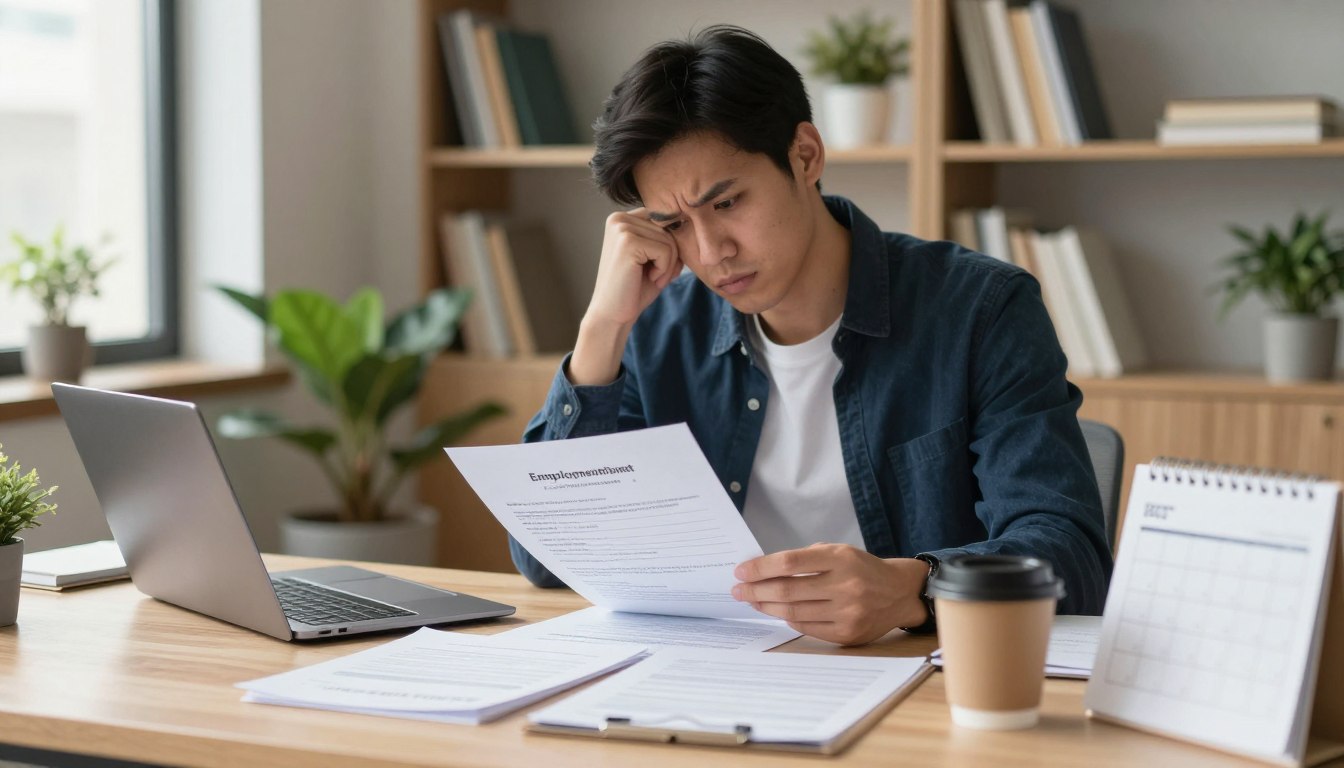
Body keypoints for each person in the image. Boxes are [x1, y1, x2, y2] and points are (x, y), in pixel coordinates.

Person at [510, 25, 1112, 645]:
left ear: (805, 156)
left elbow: (1073, 560)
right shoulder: (656, 326)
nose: (711, 251)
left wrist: (914, 588)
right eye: (674, 224)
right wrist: (600, 331)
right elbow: (546, 561)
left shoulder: (979, 310)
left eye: (726, 203)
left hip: (915, 685)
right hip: (712, 676)